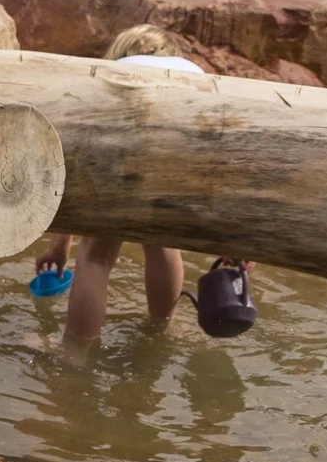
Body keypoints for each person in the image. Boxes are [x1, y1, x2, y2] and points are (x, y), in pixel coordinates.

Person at [31, 25, 202, 344]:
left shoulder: (109, 74)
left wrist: (61, 243)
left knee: (96, 254)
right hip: (174, 158)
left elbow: (74, 160)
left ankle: (77, 355)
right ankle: (163, 330)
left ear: (120, 51)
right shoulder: (193, 74)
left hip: (117, 156)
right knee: (162, 242)